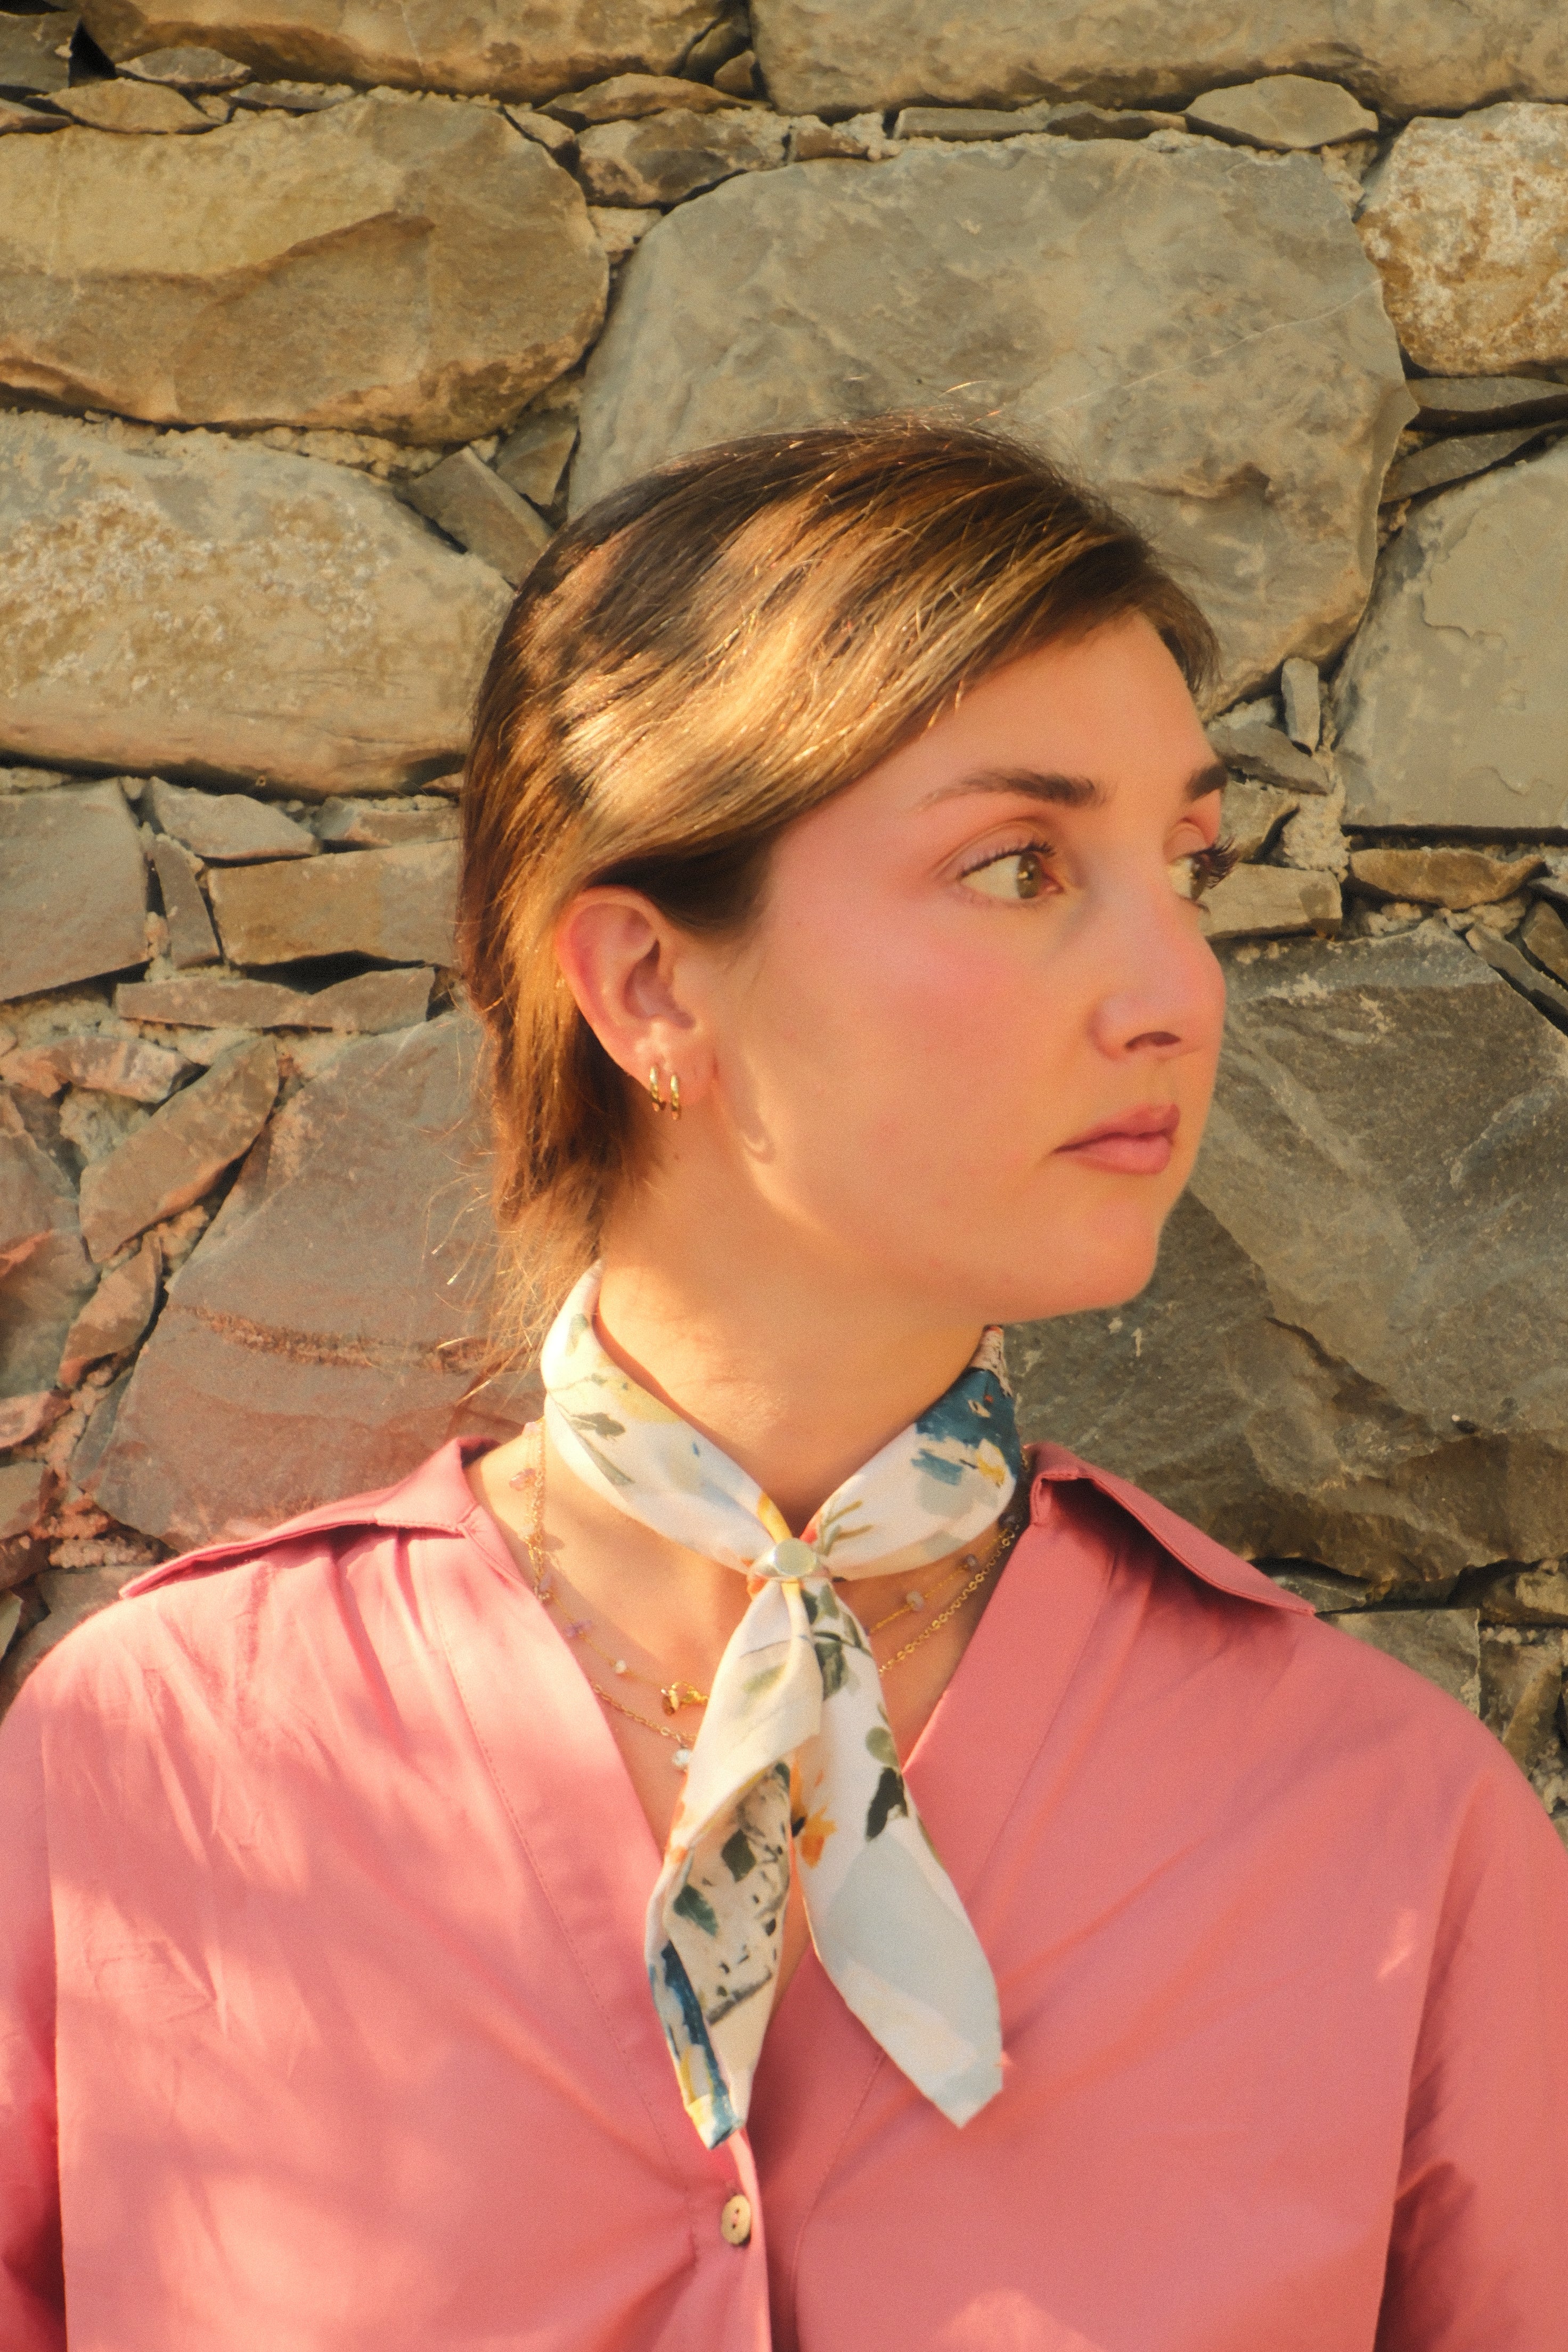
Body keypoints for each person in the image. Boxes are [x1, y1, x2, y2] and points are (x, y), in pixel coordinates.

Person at [2, 420, 1564, 2351]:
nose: (1178, 989)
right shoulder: (158, 1768)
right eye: (1020, 866)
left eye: (1189, 867)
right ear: (650, 985)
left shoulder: (1387, 1836)